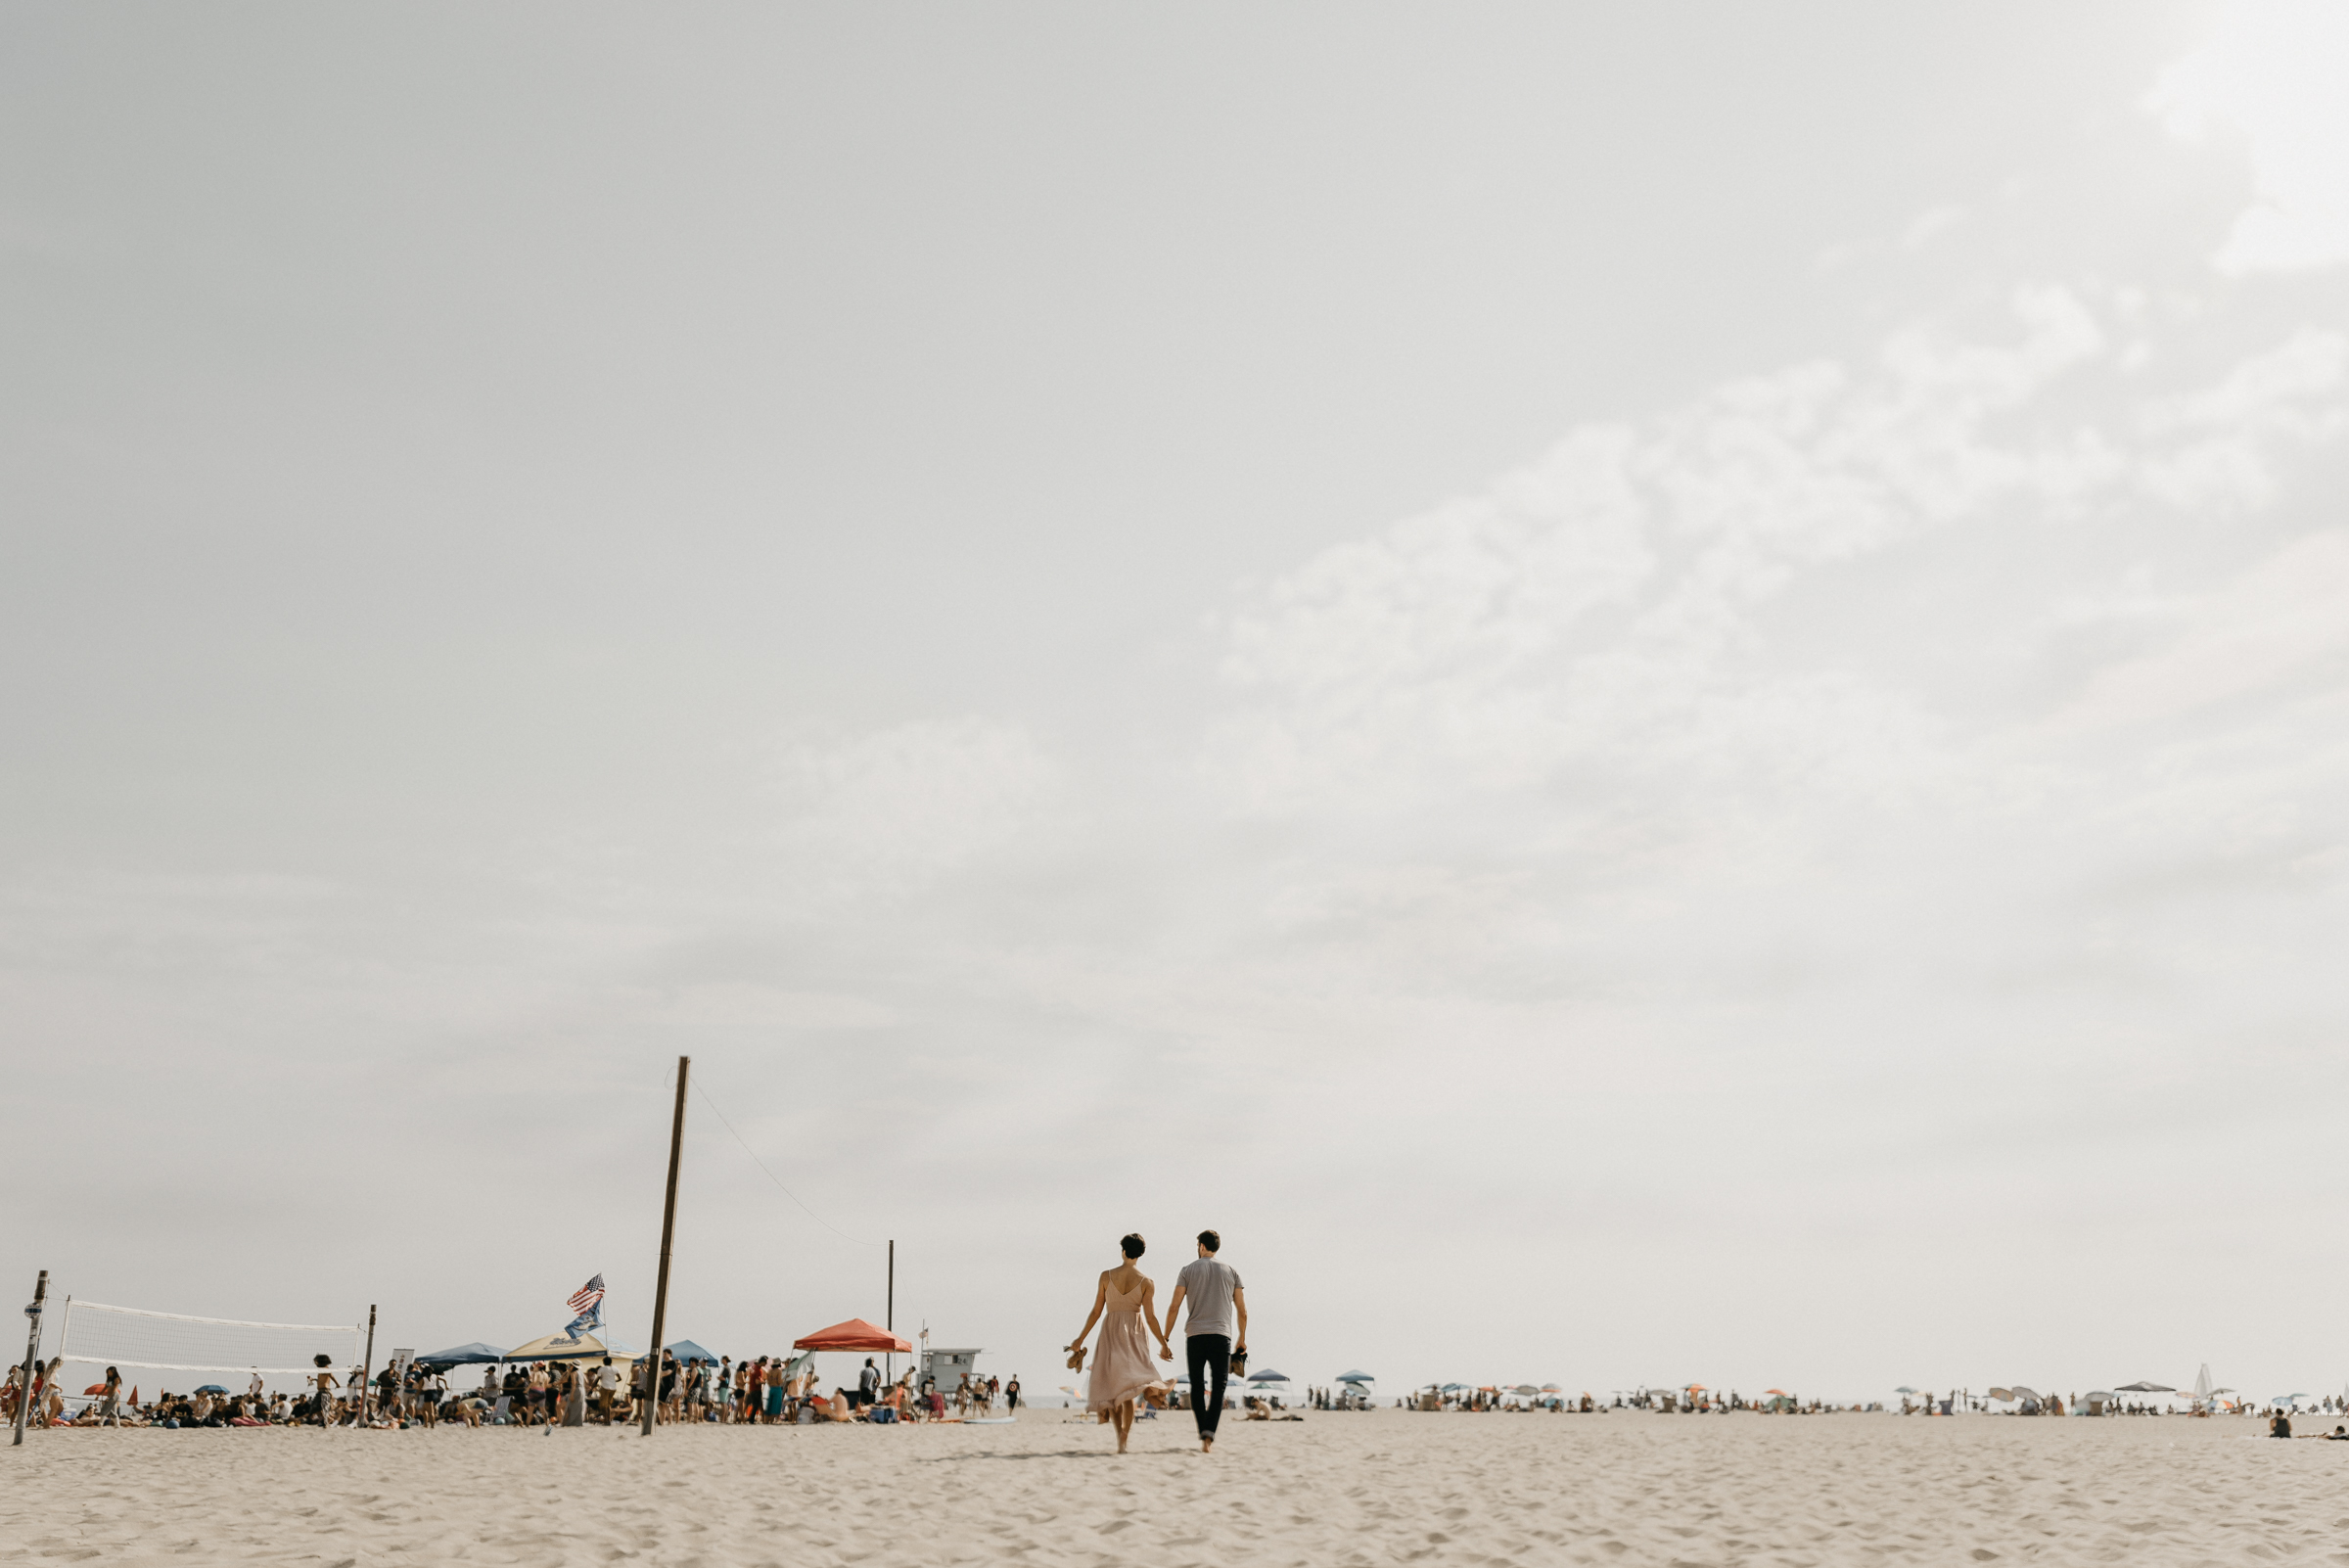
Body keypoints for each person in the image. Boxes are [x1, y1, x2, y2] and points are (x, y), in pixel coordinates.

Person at [1067, 1231, 1172, 1454]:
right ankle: (1125, 1435)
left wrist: (1081, 1338)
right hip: (1135, 1332)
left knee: (1114, 1389)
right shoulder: (1147, 1282)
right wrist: (1163, 1343)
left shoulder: (1106, 1276)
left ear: (1123, 1251)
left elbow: (1096, 1311)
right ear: (1140, 1254)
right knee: (1129, 1388)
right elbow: (1151, 1318)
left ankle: (1119, 1439)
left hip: (1111, 1331)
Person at [1161, 1228, 1246, 1453]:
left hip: (1196, 1336)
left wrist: (1165, 1338)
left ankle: (1203, 1433)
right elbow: (1242, 1311)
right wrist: (1242, 1339)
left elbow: (1174, 1306)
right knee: (1219, 1387)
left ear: (1201, 1246)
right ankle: (1209, 1433)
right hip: (1222, 1336)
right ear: (1216, 1247)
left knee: (1197, 1387)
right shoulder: (1232, 1272)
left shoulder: (1187, 1270)